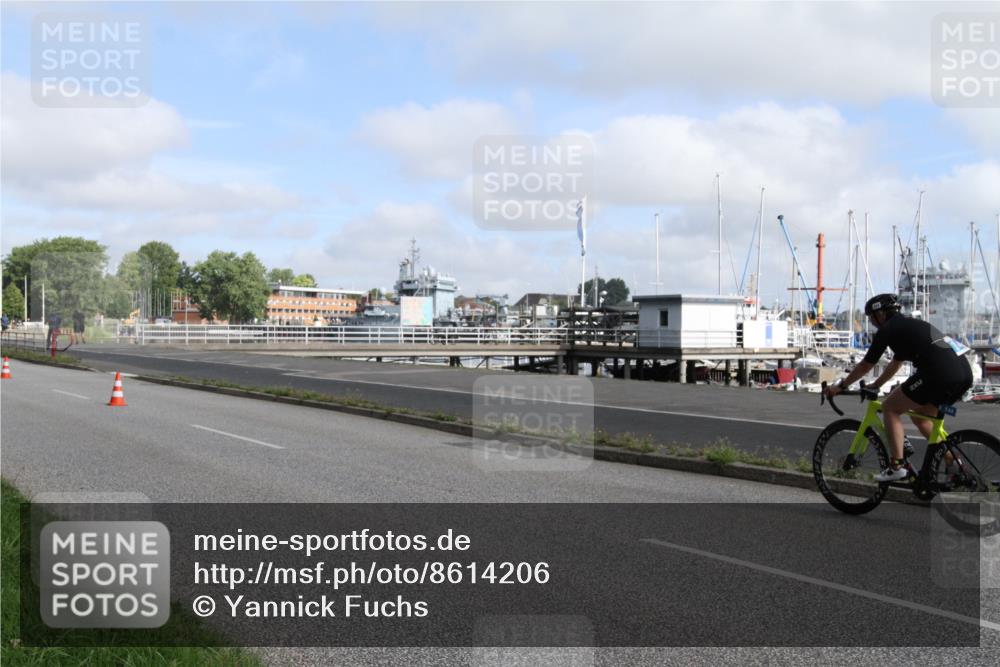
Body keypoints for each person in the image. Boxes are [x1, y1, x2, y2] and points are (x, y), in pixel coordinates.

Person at [825, 293, 974, 481]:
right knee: (922, 419)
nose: (872, 323)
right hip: (964, 374)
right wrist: (876, 384)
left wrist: (840, 386)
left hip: (938, 374)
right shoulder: (909, 326)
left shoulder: (888, 329)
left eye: (871, 318)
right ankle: (953, 464)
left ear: (880, 314)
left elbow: (866, 364)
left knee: (890, 408)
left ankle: (896, 467)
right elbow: (896, 363)